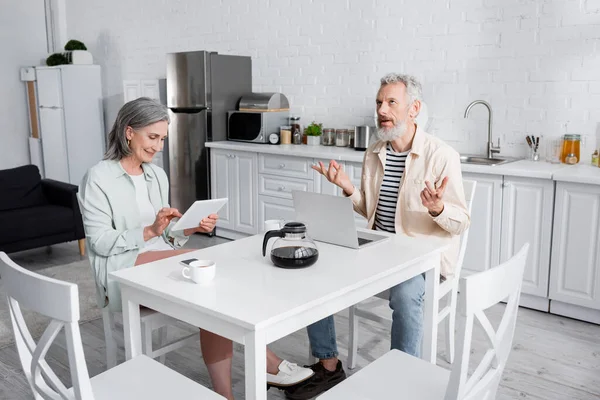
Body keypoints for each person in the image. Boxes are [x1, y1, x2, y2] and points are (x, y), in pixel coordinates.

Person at [78, 97, 313, 400]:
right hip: (120, 273)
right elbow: (98, 243)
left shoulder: (155, 175)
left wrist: (189, 227)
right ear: (128, 131)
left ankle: (226, 395)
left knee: (212, 297)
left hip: (157, 263)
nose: (159, 147)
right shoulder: (99, 177)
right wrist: (149, 230)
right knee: (208, 273)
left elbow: (166, 239)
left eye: (162, 139)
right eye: (152, 137)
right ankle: (267, 363)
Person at [284, 74, 471, 400]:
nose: (381, 110)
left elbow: (460, 223)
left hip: (421, 258)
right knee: (315, 271)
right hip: (378, 248)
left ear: (414, 109)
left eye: (391, 102)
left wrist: (439, 208)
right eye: (379, 102)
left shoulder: (441, 156)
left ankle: (403, 383)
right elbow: (370, 209)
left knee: (405, 294)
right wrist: (348, 188)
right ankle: (328, 365)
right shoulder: (374, 151)